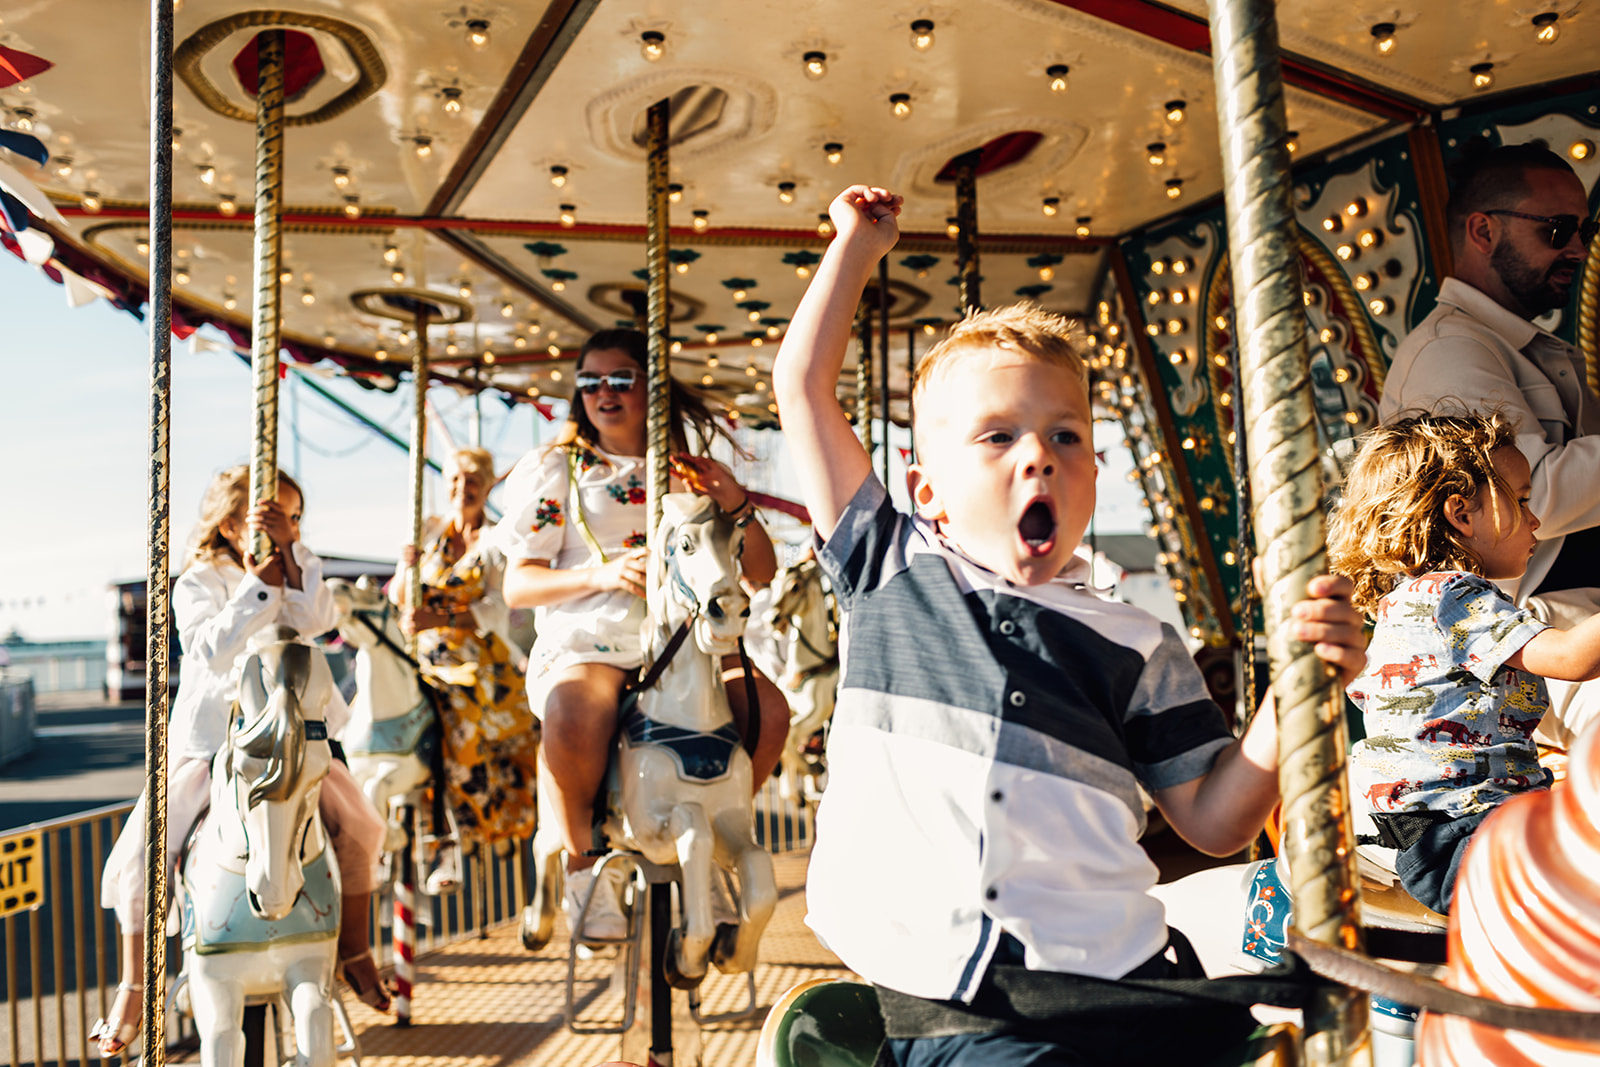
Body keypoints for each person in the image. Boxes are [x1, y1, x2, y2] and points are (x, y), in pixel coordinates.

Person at [771, 185, 1369, 1067]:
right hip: (959, 1012)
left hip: (1113, 981)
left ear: (1091, 475)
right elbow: (803, 388)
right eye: (996, 437)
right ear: (925, 487)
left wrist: (1296, 698)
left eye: (1065, 436)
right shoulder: (890, 570)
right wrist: (856, 249)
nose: (1037, 454)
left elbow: (1214, 820)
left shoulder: (1136, 641)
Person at [498, 328, 791, 940]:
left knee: (769, 709)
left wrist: (736, 504)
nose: (605, 393)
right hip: (597, 632)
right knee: (576, 709)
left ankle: (715, 834)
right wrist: (603, 571)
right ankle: (585, 865)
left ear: (648, 390)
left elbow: (759, 573)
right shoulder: (561, 469)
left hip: (686, 639)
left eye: (621, 380)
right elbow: (518, 586)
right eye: (591, 382)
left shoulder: (693, 475)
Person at [94, 467, 391, 1058]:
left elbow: (319, 622)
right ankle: (135, 985)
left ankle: (354, 947)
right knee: (138, 857)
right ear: (232, 522)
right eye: (273, 517)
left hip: (299, 737)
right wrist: (254, 588)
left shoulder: (299, 568)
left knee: (364, 825)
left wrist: (288, 559)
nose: (288, 526)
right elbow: (208, 650)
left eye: (294, 517)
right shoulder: (201, 579)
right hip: (216, 745)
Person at [1329, 411, 1600, 913]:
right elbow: (1569, 659)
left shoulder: (1402, 602)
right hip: (1468, 832)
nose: (1536, 518)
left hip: (1443, 828)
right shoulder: (1452, 594)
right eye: (1521, 500)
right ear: (1461, 514)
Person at [1379, 140, 1600, 748]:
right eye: (1559, 230)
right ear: (1483, 230)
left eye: (1586, 229)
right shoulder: (1452, 351)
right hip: (1533, 629)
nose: (1578, 249)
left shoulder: (1520, 349)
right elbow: (1539, 496)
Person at [393, 447, 539, 891]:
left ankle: (450, 841)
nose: (463, 488)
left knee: (456, 722)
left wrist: (440, 619)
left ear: (488, 485)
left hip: (476, 661)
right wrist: (406, 567)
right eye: (456, 479)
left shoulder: (496, 542)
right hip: (422, 654)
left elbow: (497, 609)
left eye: (473, 480)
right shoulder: (426, 529)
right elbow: (400, 594)